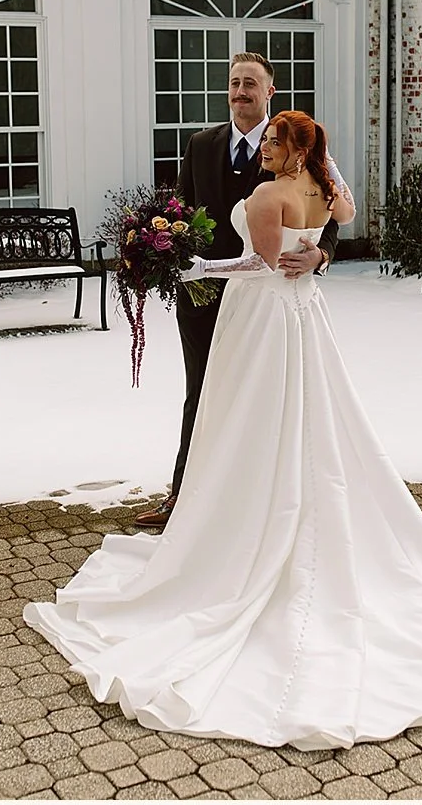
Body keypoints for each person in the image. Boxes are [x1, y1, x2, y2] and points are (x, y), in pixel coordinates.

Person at [24, 110, 422, 750]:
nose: (262, 145)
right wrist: (318, 252)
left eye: (272, 140)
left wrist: (194, 270)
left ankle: (252, 530)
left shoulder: (268, 194)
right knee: (308, 414)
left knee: (252, 419)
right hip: (306, 315)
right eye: (264, 138)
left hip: (262, 319)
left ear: (293, 148)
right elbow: (338, 226)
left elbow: (260, 266)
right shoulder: (327, 187)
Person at [133, 52, 336, 528]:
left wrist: (320, 254)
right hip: (204, 298)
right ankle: (184, 498)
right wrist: (157, 249)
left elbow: (328, 206)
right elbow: (179, 211)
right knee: (202, 393)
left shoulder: (294, 144)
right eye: (234, 82)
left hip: (267, 300)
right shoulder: (201, 144)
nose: (240, 91)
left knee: (267, 399)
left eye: (251, 83)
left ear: (270, 92)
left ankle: (263, 507)